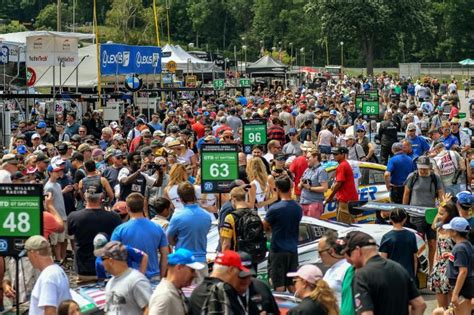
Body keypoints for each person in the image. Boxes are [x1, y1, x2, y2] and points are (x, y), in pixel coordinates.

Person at [343, 231, 426, 315]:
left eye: (349, 254)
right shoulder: (398, 268)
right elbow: (420, 304)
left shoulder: (361, 276)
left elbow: (366, 313)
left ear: (358, 250)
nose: (347, 259)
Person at [67, 187, 122, 283]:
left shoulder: (74, 217)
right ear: (102, 198)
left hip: (83, 270)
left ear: (85, 197)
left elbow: (70, 233)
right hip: (107, 268)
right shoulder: (114, 217)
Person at [111, 193, 169, 280]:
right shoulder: (158, 228)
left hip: (128, 278)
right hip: (153, 277)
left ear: (128, 208)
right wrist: (162, 278)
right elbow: (165, 255)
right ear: (143, 207)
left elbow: (113, 255)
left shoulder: (120, 230)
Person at [403, 156, 444, 272]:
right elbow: (406, 193)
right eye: (421, 168)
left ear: (430, 168)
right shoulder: (413, 177)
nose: (423, 171)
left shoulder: (435, 178)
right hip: (415, 215)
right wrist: (404, 210)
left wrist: (443, 208)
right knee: (418, 244)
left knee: (432, 243)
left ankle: (431, 270)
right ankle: (418, 270)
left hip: (431, 215)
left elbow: (441, 194)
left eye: (425, 169)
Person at [263, 176, 302, 292]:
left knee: (278, 283)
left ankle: (282, 308)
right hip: (293, 249)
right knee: (291, 283)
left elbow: (264, 226)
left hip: (278, 250)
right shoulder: (298, 208)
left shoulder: (274, 209)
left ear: (278, 190)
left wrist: (270, 229)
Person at [167, 182, 212, 283]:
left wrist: (176, 241)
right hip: (201, 262)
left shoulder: (177, 217)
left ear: (181, 199)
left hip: (183, 263)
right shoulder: (206, 216)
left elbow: (169, 239)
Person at [94, 241, 153, 315]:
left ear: (110, 261)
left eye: (103, 259)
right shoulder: (110, 283)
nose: (101, 263)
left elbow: (150, 309)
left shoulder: (137, 280)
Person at [190, 250, 250, 315]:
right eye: (239, 272)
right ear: (231, 270)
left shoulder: (196, 292)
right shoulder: (226, 291)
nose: (239, 276)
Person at [148, 248, 206, 315]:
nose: (195, 275)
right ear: (179, 267)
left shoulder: (174, 291)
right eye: (192, 270)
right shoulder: (164, 296)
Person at [220, 186, 267, 267]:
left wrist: (223, 262)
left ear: (233, 199)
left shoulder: (230, 217)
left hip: (237, 260)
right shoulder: (255, 215)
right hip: (253, 258)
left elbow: (226, 244)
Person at [26, 235, 72, 315]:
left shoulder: (48, 278)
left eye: (27, 254)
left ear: (33, 253)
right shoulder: (58, 270)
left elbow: (50, 312)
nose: (28, 257)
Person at [429, 199, 458, 310]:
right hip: (439, 268)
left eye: (442, 213)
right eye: (439, 213)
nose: (439, 216)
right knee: (441, 306)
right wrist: (441, 206)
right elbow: (433, 225)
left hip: (452, 267)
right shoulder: (439, 227)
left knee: (453, 305)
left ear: (450, 214)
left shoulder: (455, 229)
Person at [443, 217, 474, 314]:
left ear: (454, 232)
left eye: (449, 229)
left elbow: (463, 271)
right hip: (466, 285)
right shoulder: (467, 244)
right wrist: (451, 256)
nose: (447, 230)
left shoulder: (459, 248)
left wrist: (455, 294)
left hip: (462, 288)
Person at [379, 208, 418, 280]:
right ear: (405, 219)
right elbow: (415, 259)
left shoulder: (386, 237)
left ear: (390, 219)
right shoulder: (411, 235)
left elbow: (383, 260)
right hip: (408, 275)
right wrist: (414, 275)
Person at [325, 147, 358, 224]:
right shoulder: (344, 164)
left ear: (343, 154)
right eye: (333, 154)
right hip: (349, 200)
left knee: (344, 226)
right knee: (350, 223)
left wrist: (330, 197)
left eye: (336, 154)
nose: (334, 156)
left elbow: (339, 183)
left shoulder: (342, 165)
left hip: (345, 200)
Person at [319, 230, 351, 307]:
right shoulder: (330, 270)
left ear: (331, 251)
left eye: (320, 253)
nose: (319, 257)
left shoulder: (347, 268)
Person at [299, 150, 328, 219]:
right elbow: (299, 185)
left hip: (314, 203)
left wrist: (309, 188)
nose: (306, 160)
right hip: (303, 202)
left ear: (315, 158)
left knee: (312, 227)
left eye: (308, 158)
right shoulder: (307, 170)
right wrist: (301, 184)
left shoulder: (321, 170)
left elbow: (324, 188)